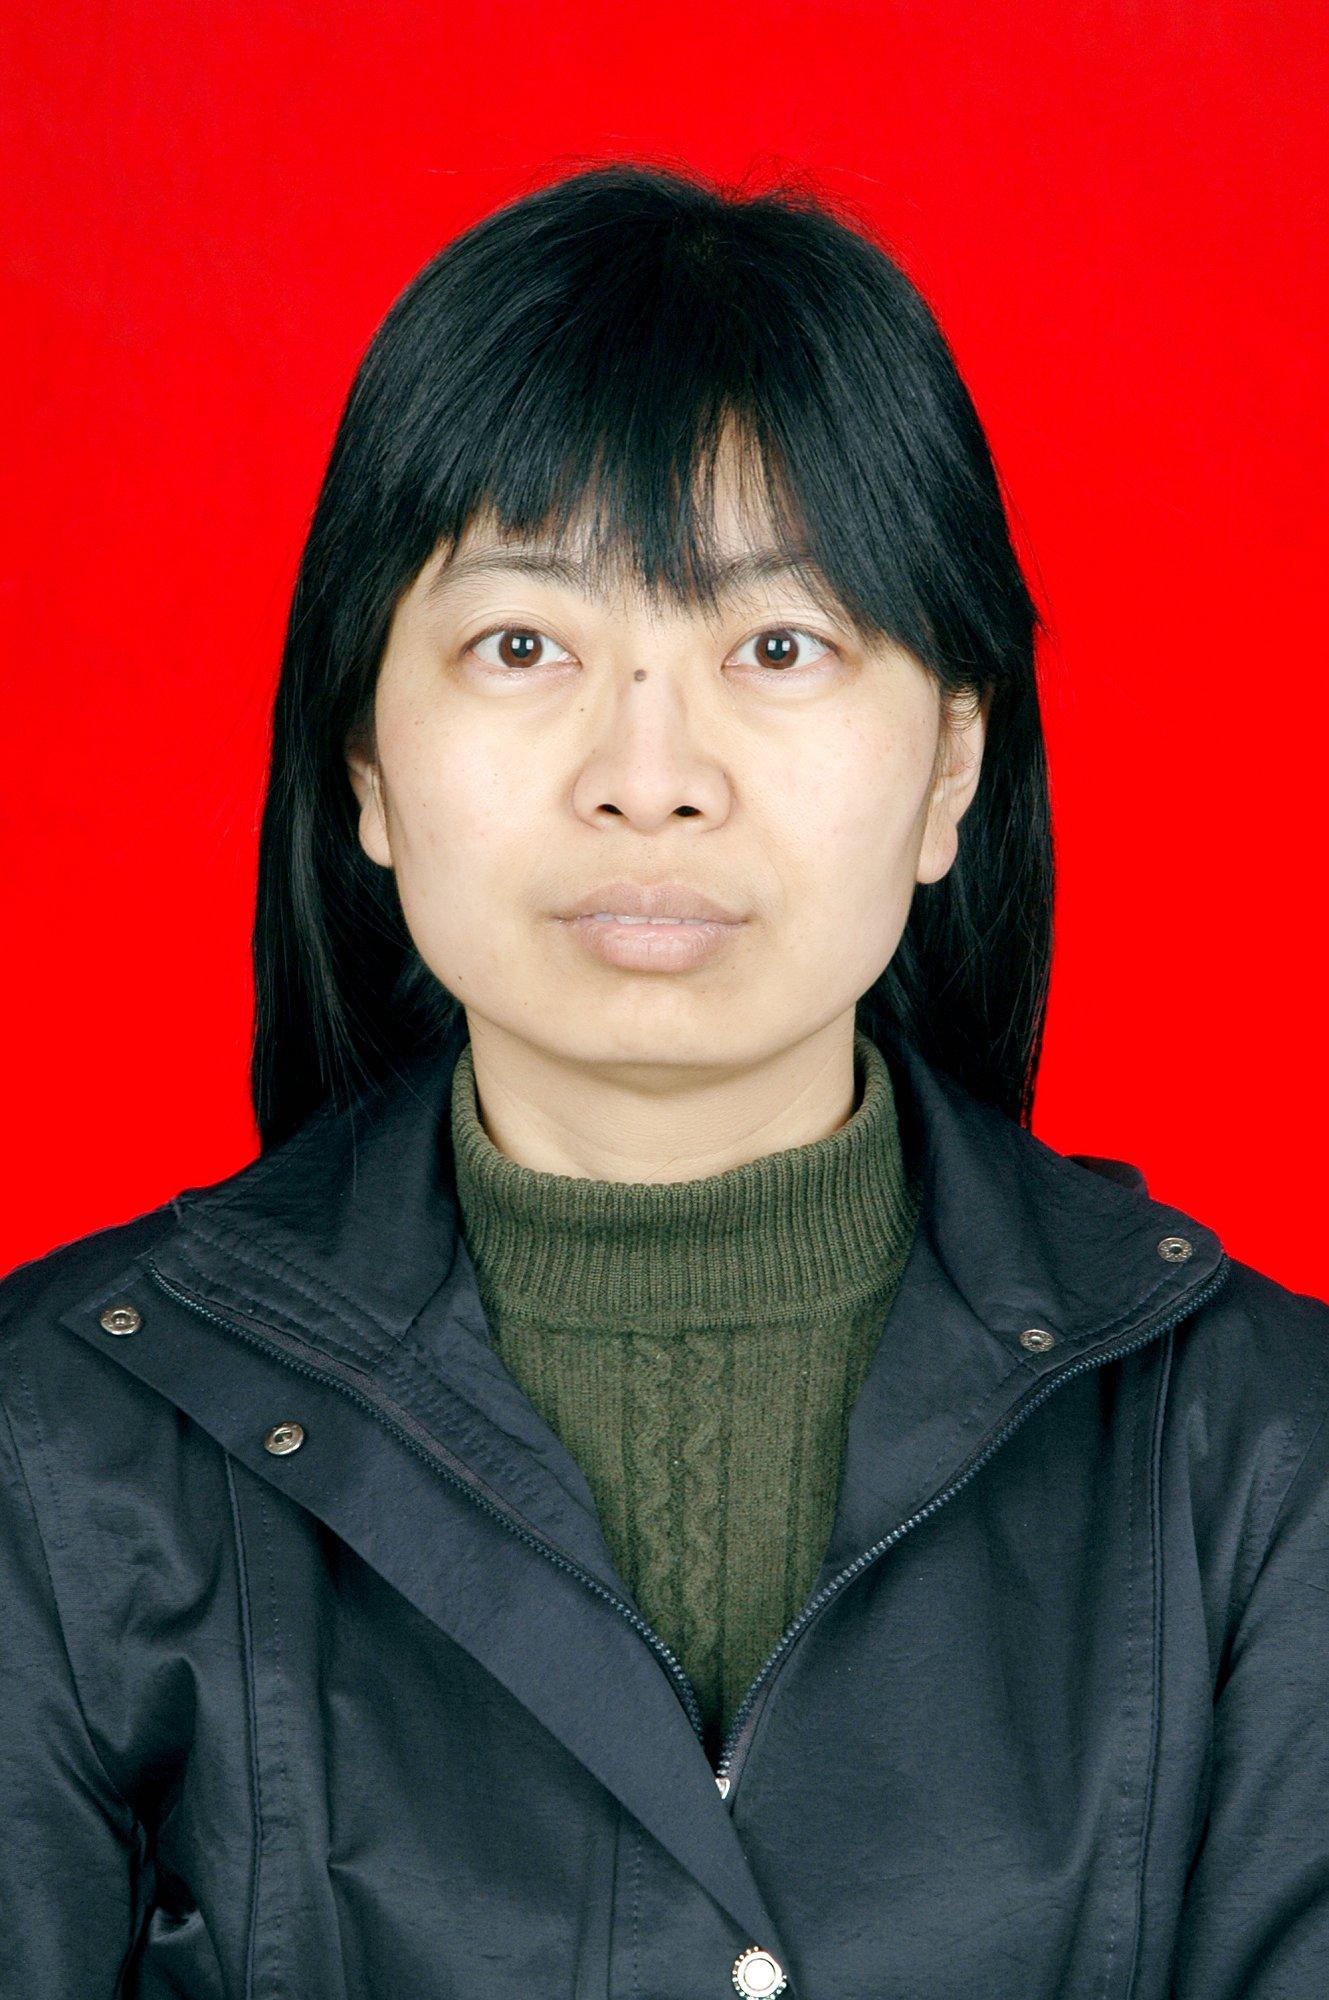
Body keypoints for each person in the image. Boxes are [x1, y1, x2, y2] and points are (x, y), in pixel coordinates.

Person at [2, 159, 1326, 2000]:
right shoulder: (59, 1446)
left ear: (950, 767)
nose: (648, 776)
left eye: (776, 646)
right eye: (522, 645)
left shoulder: (1262, 1460)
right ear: (364, 761)